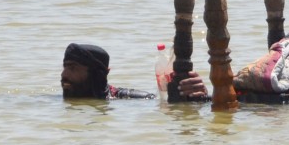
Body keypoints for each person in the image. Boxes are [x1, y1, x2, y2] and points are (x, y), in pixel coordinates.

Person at [61, 43, 209, 101]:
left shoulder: (125, 99)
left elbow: (161, 104)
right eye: (64, 67)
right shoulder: (53, 101)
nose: (64, 75)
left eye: (72, 68)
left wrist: (200, 96)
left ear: (98, 74)